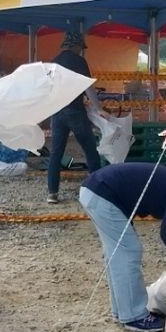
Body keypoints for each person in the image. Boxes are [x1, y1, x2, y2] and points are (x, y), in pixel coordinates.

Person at [78, 163, 166, 332]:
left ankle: (122, 311)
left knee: (116, 253)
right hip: (103, 193)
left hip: (97, 190)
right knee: (128, 251)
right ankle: (135, 316)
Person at [46, 31, 107, 204]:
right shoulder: (79, 61)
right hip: (75, 112)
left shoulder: (54, 61)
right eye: (81, 48)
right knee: (90, 150)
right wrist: (98, 108)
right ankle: (96, 189)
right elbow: (87, 86)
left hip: (57, 113)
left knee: (56, 154)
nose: (82, 51)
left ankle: (52, 193)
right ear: (76, 46)